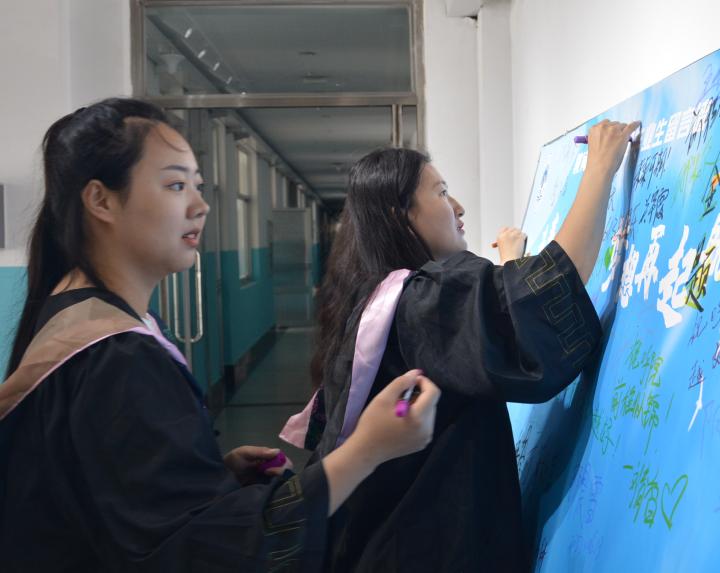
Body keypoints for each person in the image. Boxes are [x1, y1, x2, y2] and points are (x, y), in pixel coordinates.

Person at [0, 98, 440, 572]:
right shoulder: (115, 354)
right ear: (101, 200)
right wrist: (368, 448)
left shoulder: (79, 314)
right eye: (175, 185)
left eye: (198, 185)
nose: (200, 205)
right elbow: (202, 552)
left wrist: (206, 473)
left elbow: (110, 497)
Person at [302, 119, 639, 571]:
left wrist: (512, 265)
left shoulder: (373, 297)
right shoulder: (418, 301)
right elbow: (545, 301)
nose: (457, 206)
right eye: (441, 193)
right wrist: (600, 169)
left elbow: (487, 334)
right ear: (401, 216)